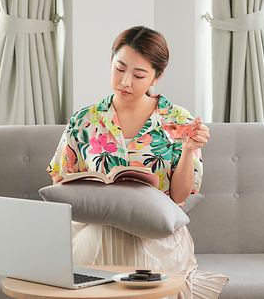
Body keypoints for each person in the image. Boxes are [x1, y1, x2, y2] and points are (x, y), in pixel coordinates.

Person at [47, 26, 226, 298]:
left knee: (122, 244)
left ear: (157, 76)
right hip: (95, 231)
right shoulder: (84, 120)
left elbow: (179, 196)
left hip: (156, 237)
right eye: (119, 68)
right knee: (105, 234)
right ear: (111, 62)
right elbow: (59, 181)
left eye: (139, 74)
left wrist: (189, 149)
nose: (125, 81)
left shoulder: (178, 120)